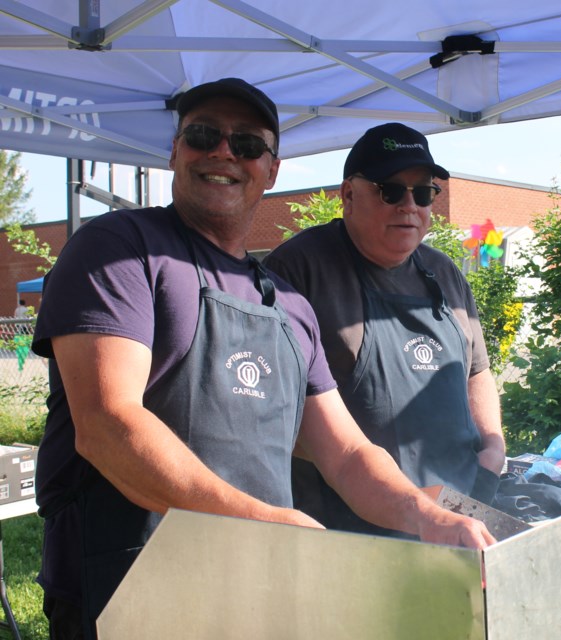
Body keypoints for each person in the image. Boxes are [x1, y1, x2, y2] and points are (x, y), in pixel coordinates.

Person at [31, 79, 493, 639]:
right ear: (175, 151)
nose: (225, 151)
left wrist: (428, 517)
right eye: (204, 135)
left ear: (271, 170)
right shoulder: (122, 248)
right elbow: (107, 424)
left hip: (259, 595)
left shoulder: (288, 304)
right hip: (131, 589)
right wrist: (266, 525)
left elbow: (346, 453)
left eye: (248, 144)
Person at [265, 122, 506, 536]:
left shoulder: (445, 272)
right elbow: (271, 412)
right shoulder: (296, 272)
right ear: (348, 195)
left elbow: (477, 371)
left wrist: (492, 449)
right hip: (351, 525)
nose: (408, 205)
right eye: (391, 190)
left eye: (424, 192)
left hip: (462, 508)